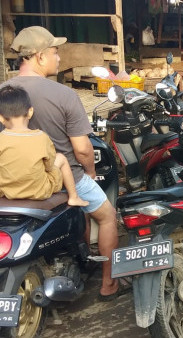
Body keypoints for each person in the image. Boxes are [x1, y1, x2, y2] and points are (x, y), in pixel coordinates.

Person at [3, 26, 121, 301]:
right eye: (55, 53)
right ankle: (109, 285)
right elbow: (82, 150)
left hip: (11, 182)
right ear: (40, 56)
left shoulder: (4, 93)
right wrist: (90, 172)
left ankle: (81, 260)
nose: (59, 58)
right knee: (107, 217)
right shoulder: (64, 95)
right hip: (64, 179)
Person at [0, 85, 88, 207]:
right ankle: (74, 197)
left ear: (1, 118)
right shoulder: (41, 137)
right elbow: (49, 165)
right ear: (30, 112)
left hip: (7, 192)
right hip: (40, 191)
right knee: (61, 158)